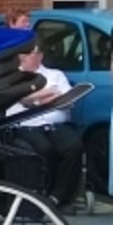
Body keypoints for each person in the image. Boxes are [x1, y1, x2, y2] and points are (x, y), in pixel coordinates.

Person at [6, 43, 84, 208]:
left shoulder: (55, 75)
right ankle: (42, 193)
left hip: (56, 124)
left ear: (40, 56)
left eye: (29, 54)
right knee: (45, 149)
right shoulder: (14, 77)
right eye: (23, 54)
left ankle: (59, 196)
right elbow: (21, 98)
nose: (24, 57)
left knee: (74, 146)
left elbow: (67, 100)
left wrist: (36, 99)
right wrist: (44, 96)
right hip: (27, 125)